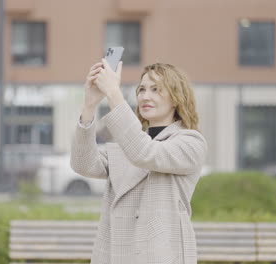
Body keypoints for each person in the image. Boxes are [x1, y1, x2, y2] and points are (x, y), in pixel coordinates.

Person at [70, 59, 207, 264]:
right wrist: (89, 105)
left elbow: (145, 153)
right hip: (116, 254)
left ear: (176, 98)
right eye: (141, 89)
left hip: (163, 255)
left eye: (156, 89)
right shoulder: (129, 144)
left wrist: (114, 94)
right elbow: (83, 163)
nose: (145, 96)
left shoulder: (190, 142)